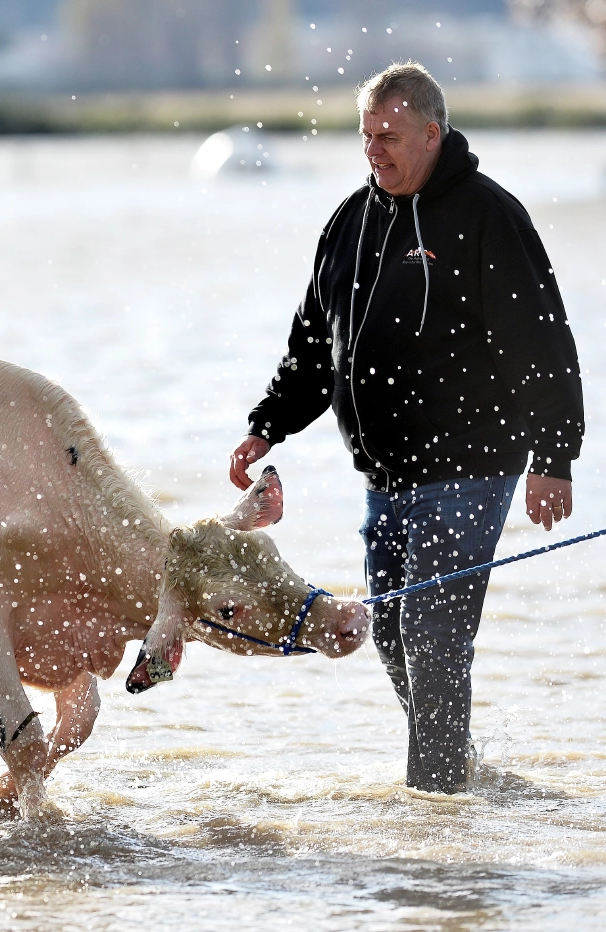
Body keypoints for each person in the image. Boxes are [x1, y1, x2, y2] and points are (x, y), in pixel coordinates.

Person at [229, 62, 583, 793]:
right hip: (384, 478)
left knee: (434, 636)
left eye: (388, 135)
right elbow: (312, 345)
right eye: (365, 135)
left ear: (432, 132)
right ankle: (456, 768)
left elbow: (542, 340)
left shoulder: (488, 214)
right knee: (391, 634)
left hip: (470, 470)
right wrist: (269, 425)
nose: (373, 150)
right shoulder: (349, 223)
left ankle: (436, 799)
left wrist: (554, 455)